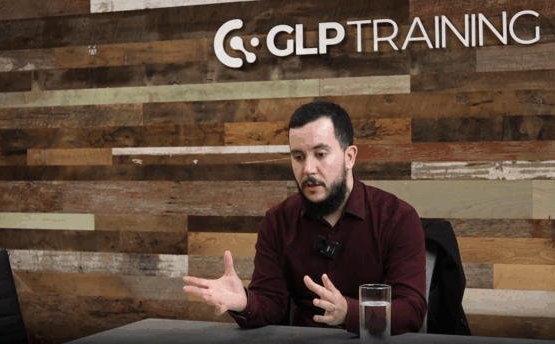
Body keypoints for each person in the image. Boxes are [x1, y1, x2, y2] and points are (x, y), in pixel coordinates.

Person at [183, 100, 427, 335]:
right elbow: (270, 304)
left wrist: (349, 313)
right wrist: (244, 302)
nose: (308, 169)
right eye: (298, 157)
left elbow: (412, 311)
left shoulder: (397, 217)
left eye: (320, 154)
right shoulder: (278, 221)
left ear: (349, 157)